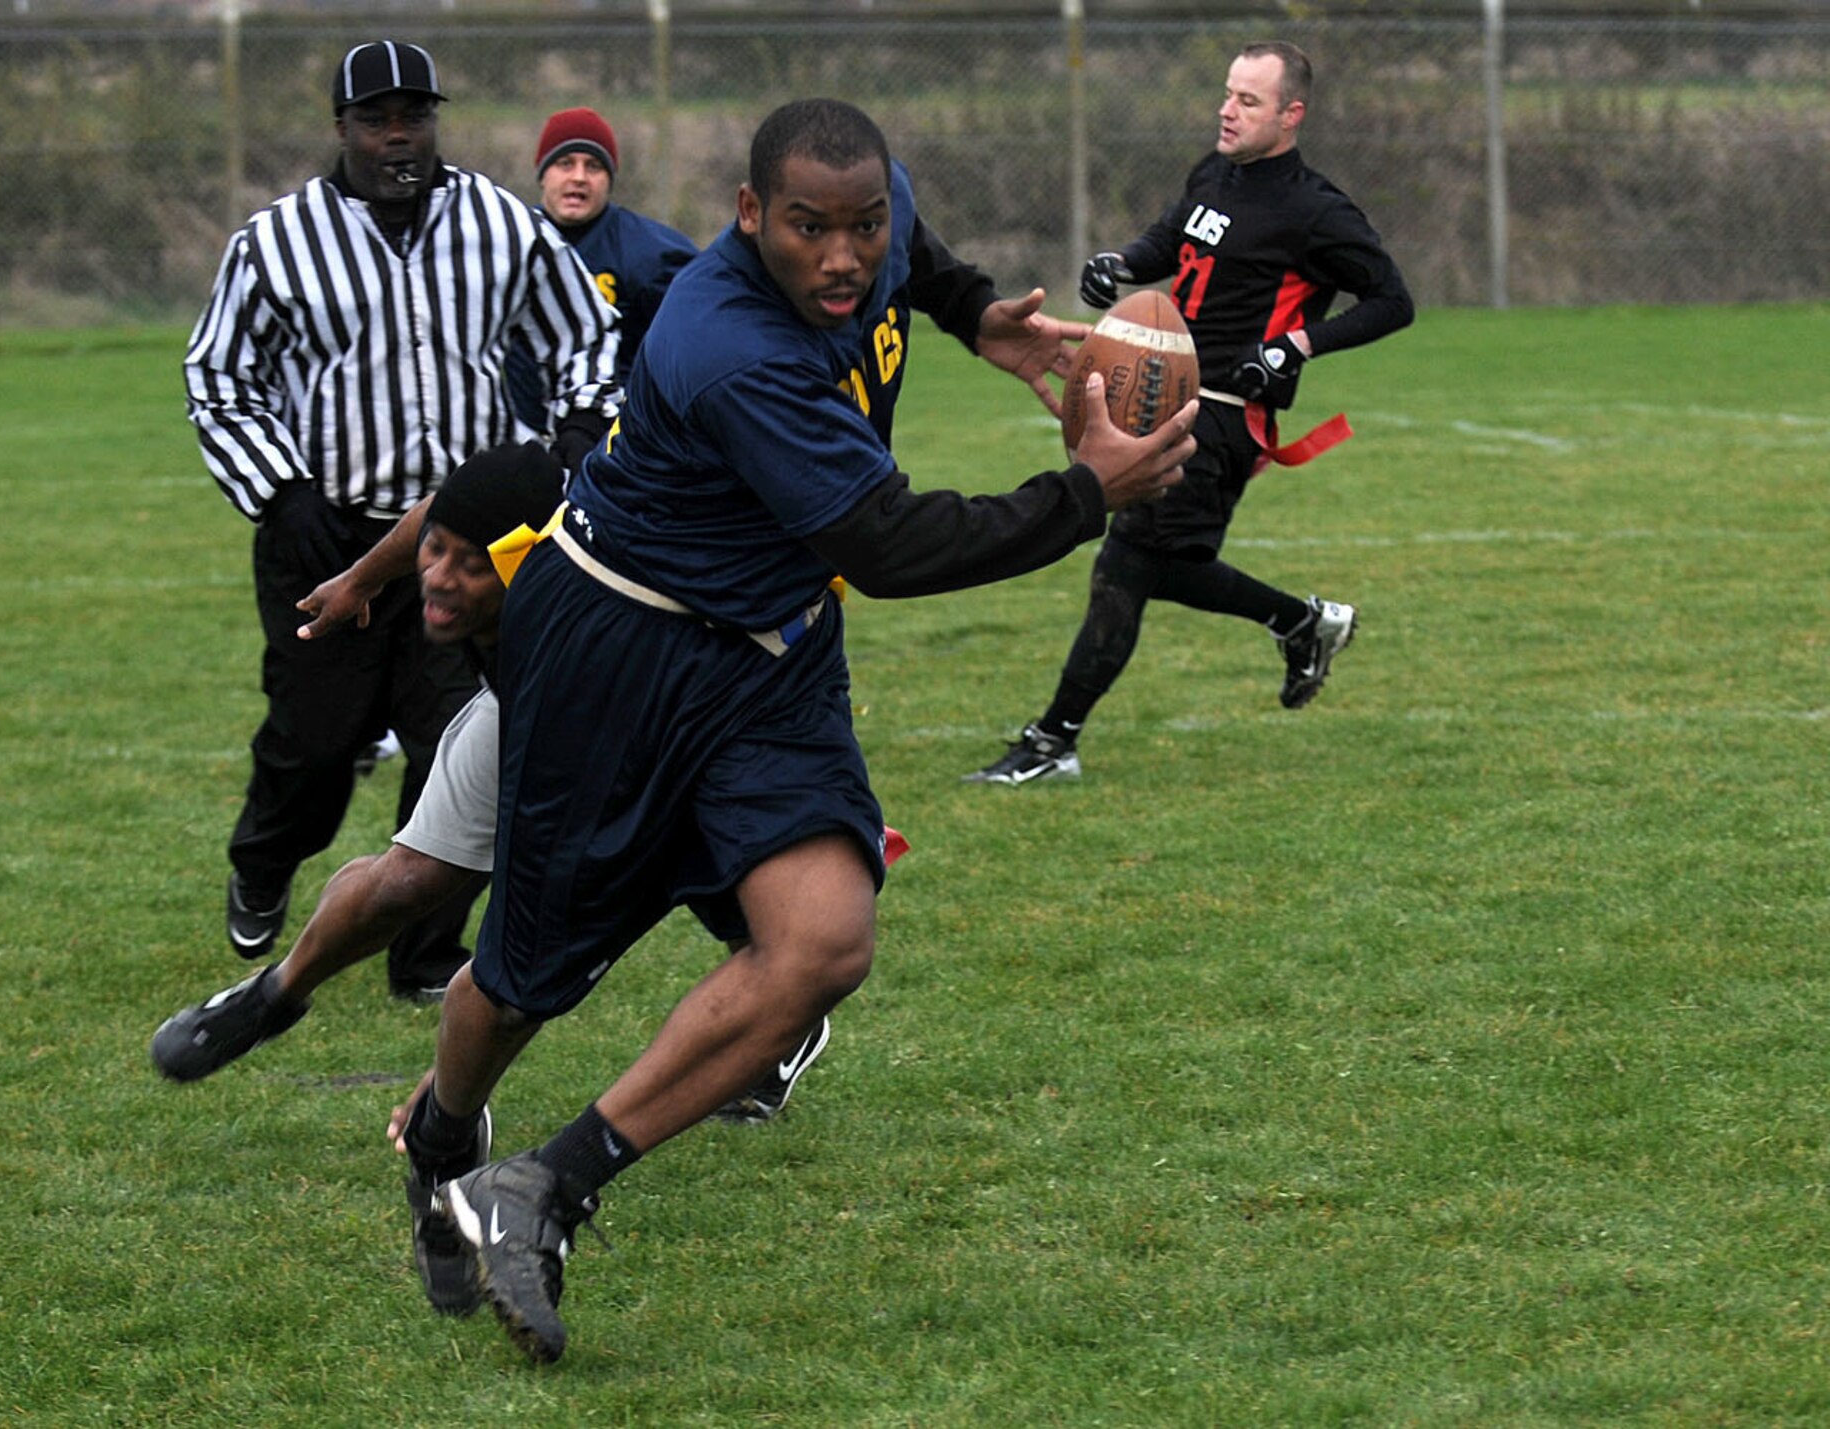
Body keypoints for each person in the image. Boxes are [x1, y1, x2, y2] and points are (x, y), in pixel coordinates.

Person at [394, 97, 1199, 1364]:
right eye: (808, 230)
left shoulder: (876, 219)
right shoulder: (727, 346)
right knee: (521, 982)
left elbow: (912, 249)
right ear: (748, 216)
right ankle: (445, 1133)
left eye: (861, 226)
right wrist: (1085, 491)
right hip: (618, 646)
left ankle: (542, 1190)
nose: (842, 257)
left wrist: (968, 311)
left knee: (823, 941)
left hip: (768, 650)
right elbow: (888, 545)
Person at [150, 441, 867, 1130]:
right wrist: (363, 578)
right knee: (410, 876)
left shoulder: (583, 587)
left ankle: (778, 1017)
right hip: (534, 702)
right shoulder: (545, 514)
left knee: (709, 911)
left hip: (649, 723)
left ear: (530, 563)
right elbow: (446, 516)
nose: (439, 578)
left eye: (470, 565)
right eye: (437, 553)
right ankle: (275, 993)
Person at [183, 40, 619, 998]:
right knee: (314, 743)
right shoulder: (275, 241)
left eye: (414, 116)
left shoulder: (504, 226)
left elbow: (586, 336)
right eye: (376, 119)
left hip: (469, 545)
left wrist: (580, 430)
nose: (398, 136)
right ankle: (266, 857)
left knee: (458, 745)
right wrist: (280, 490)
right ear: (341, 128)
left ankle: (424, 952)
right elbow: (217, 376)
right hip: (329, 533)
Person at [966, 40, 1414, 786]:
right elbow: (1170, 241)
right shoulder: (1215, 172)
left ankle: (1052, 742)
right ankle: (1301, 622)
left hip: (1227, 413)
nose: (1227, 110)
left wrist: (1295, 345)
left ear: (1291, 115)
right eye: (1228, 93)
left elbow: (1393, 301)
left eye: (1248, 100)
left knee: (1127, 560)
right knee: (1157, 564)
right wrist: (1121, 264)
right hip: (1171, 395)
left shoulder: (1317, 211)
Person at [506, 107, 701, 440]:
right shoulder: (508, 241)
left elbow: (692, 343)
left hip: (615, 432)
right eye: (565, 163)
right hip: (520, 430)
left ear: (610, 179)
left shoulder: (649, 254)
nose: (579, 177)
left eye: (593, 166)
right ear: (543, 174)